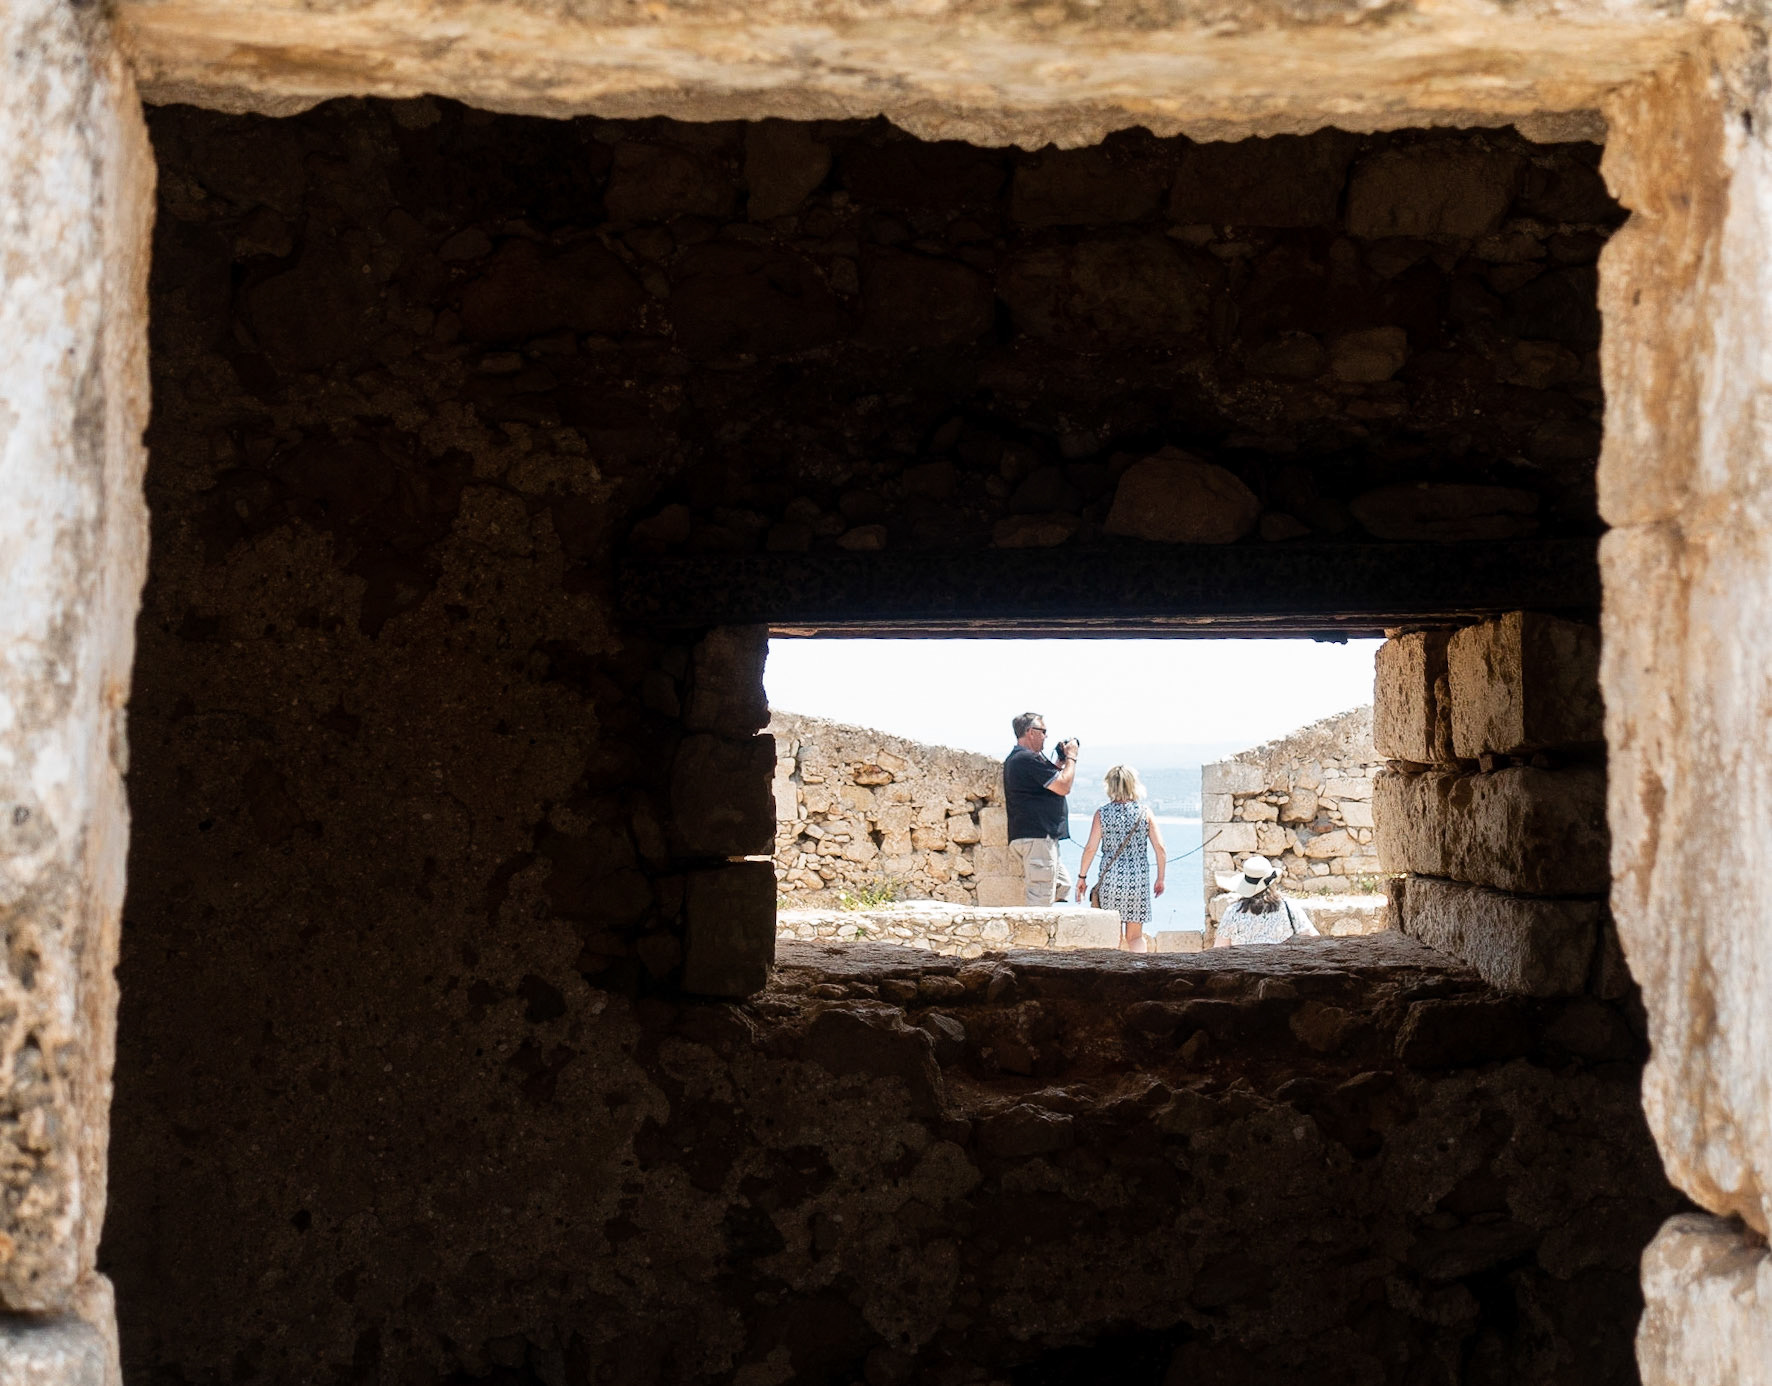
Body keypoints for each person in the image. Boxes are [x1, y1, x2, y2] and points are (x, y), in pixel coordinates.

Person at [1074, 764, 1167, 952]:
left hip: (1111, 881)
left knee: (1112, 936)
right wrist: (1160, 878)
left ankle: (1113, 975)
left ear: (1110, 786)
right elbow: (1160, 848)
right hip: (1138, 881)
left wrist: (1082, 877)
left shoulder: (1102, 814)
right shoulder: (1144, 813)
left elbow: (1091, 848)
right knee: (1135, 937)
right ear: (1134, 785)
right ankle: (1140, 974)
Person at [1002, 711, 1079, 906]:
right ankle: (1037, 934)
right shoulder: (1027, 759)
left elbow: (1047, 783)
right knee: (1040, 903)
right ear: (1030, 732)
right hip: (1037, 838)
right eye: (1043, 731)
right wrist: (1071, 758)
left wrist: (1059, 764)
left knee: (1062, 885)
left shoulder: (1020, 759)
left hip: (1035, 838)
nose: (1046, 736)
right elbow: (1063, 786)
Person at [1213, 854, 1320, 946]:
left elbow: (1219, 950)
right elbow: (1315, 940)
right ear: (1272, 882)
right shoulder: (1288, 908)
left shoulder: (1232, 913)